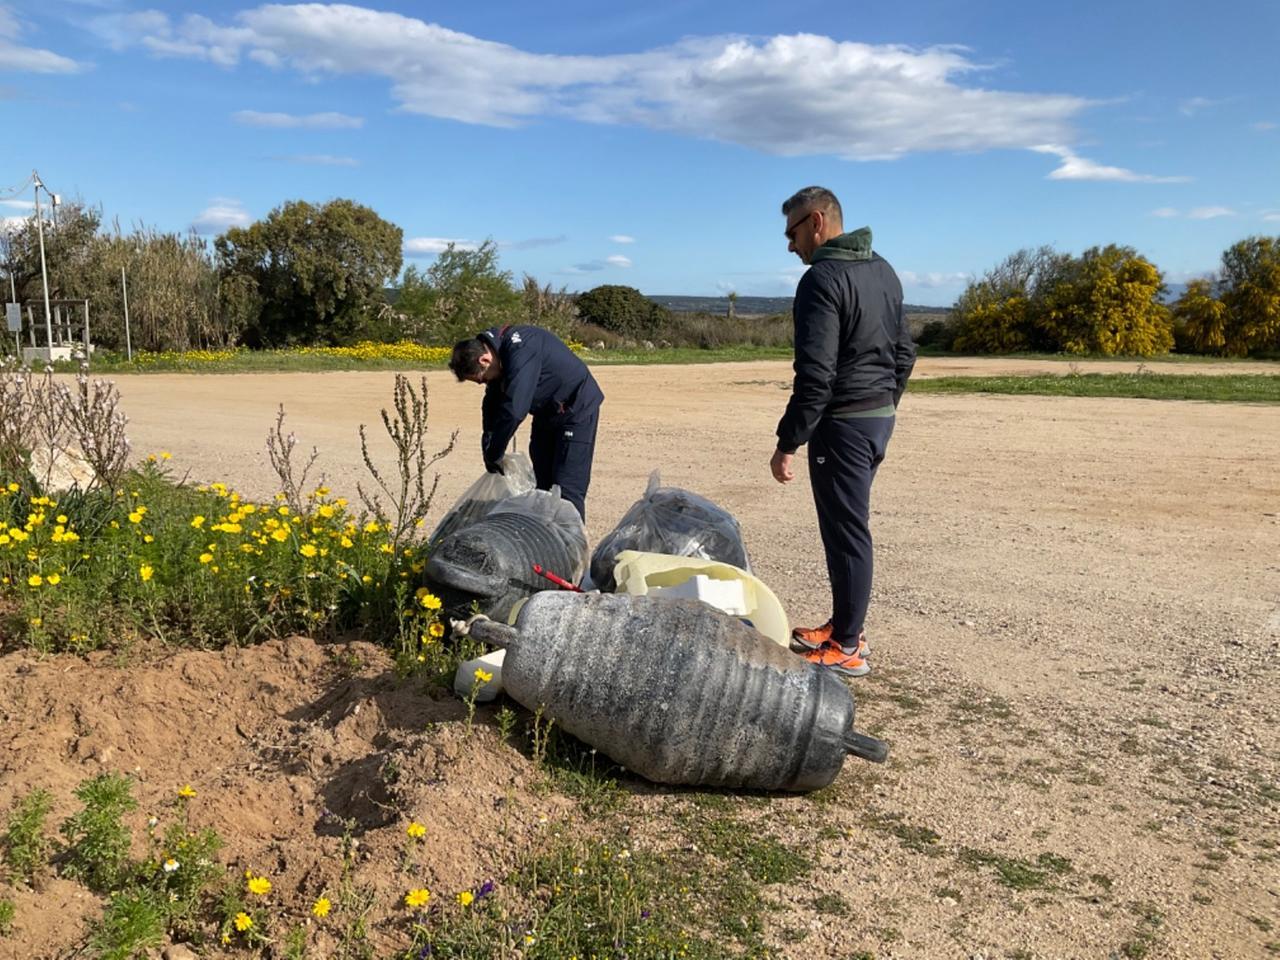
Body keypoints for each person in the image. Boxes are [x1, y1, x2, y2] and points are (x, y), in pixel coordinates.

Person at [770, 186, 915, 678]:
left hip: (843, 424)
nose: (790, 246)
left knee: (847, 531)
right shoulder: (883, 270)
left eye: (792, 233)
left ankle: (848, 646)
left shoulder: (822, 279)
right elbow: (905, 353)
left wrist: (788, 441)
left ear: (816, 222)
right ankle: (844, 626)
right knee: (843, 526)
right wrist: (884, 404)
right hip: (875, 419)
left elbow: (816, 374)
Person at [450, 324, 604, 521]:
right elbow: (492, 404)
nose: (485, 383)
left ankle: (571, 539)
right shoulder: (499, 356)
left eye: (482, 379)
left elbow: (515, 408)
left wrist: (496, 451)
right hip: (547, 413)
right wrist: (488, 449)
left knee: (566, 489)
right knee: (543, 487)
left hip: (576, 409)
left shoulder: (521, 349)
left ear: (485, 360)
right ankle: (543, 538)